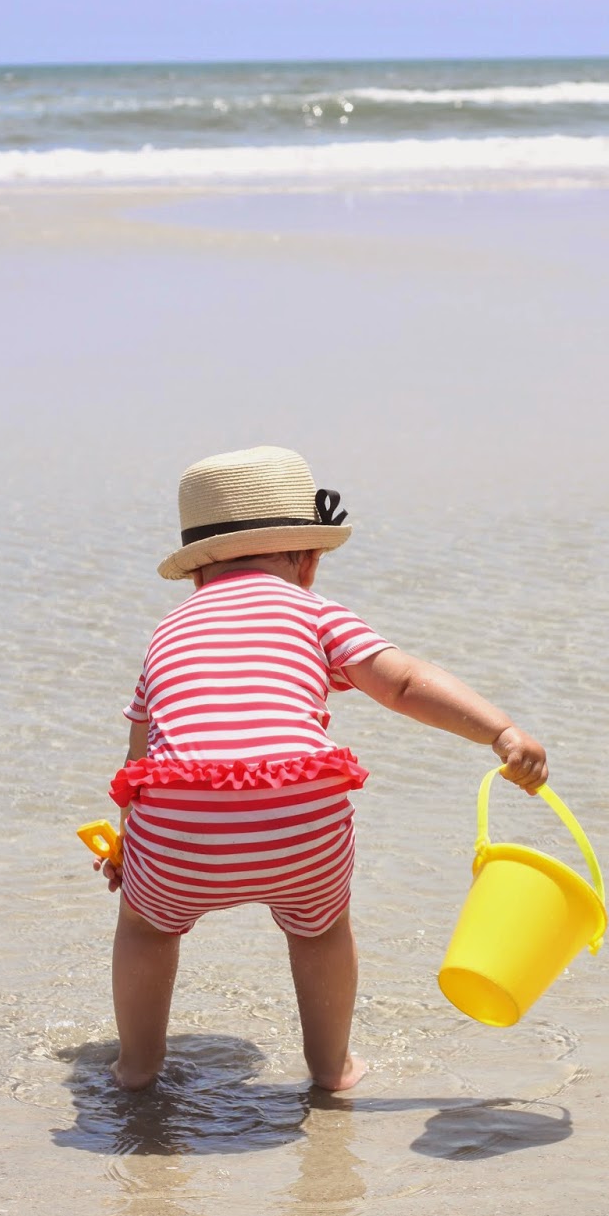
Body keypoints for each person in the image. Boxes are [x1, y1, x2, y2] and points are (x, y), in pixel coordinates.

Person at [95, 445, 548, 1093]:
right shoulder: (313, 612)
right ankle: (332, 1067)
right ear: (308, 560)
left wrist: (128, 848)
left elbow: (138, 761)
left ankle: (137, 1067)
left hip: (180, 822)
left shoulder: (169, 629)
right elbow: (404, 682)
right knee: (321, 931)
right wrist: (500, 731)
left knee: (145, 928)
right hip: (299, 812)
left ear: (197, 572)